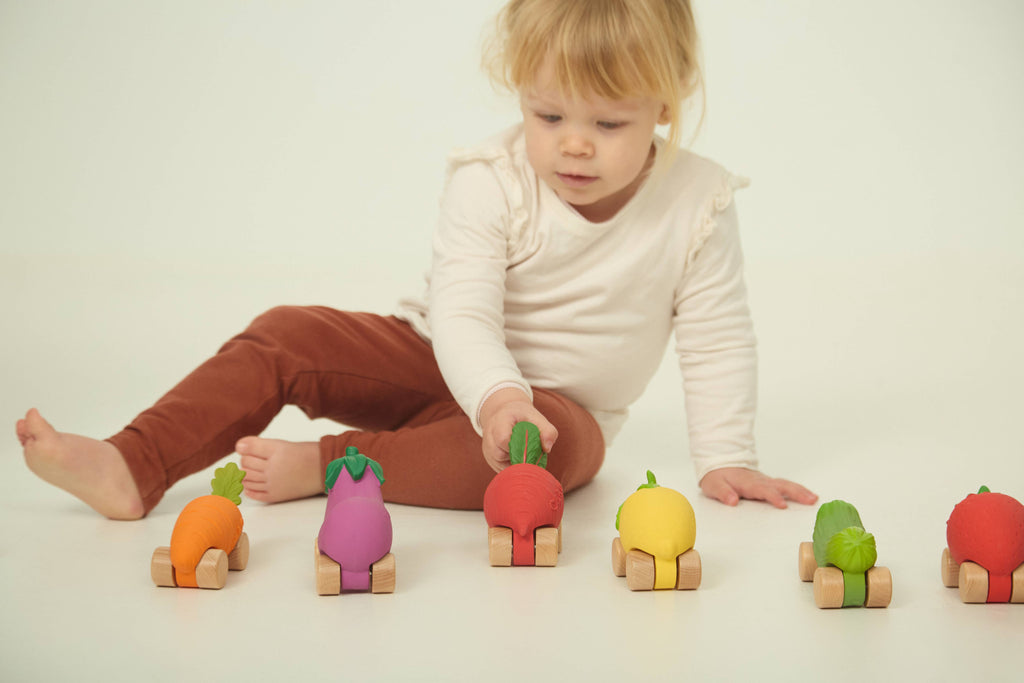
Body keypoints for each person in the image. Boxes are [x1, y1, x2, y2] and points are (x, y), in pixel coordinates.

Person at [17, 0, 817, 521]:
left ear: (667, 103)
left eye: (609, 124)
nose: (573, 144)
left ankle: (331, 467)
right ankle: (135, 461)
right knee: (286, 332)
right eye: (548, 115)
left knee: (545, 459)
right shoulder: (491, 180)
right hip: (440, 359)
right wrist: (495, 394)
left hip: (560, 412)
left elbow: (717, 336)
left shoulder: (697, 202)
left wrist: (727, 457)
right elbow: (463, 311)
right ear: (520, 91)